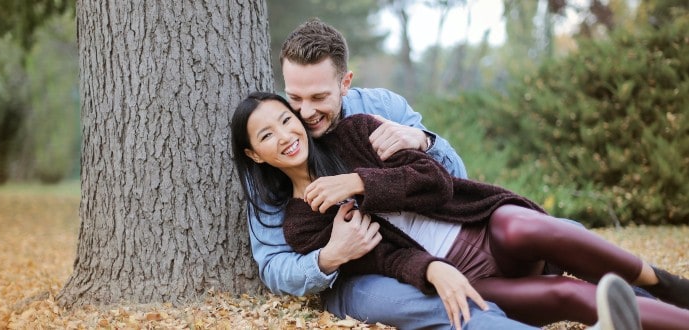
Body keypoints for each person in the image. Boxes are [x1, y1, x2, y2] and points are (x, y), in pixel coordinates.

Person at [231, 91, 689, 330]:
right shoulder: (303, 223)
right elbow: (383, 259)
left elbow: (433, 180)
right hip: (464, 276)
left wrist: (360, 181)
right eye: (266, 135)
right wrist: (433, 270)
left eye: (286, 120)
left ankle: (666, 284)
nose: (285, 135)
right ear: (255, 155)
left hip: (483, 229)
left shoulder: (355, 134)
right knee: (564, 296)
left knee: (532, 227)